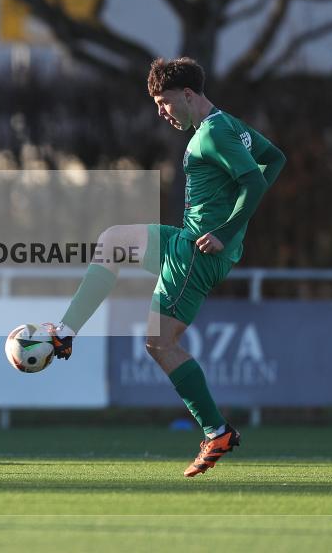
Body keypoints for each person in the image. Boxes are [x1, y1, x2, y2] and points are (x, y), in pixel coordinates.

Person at [45, 57, 286, 477]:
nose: (161, 112)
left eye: (165, 102)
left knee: (159, 343)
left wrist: (226, 233)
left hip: (196, 252)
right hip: (186, 239)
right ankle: (65, 333)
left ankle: (217, 432)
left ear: (188, 95)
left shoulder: (214, 135)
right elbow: (275, 159)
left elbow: (253, 181)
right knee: (113, 242)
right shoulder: (227, 125)